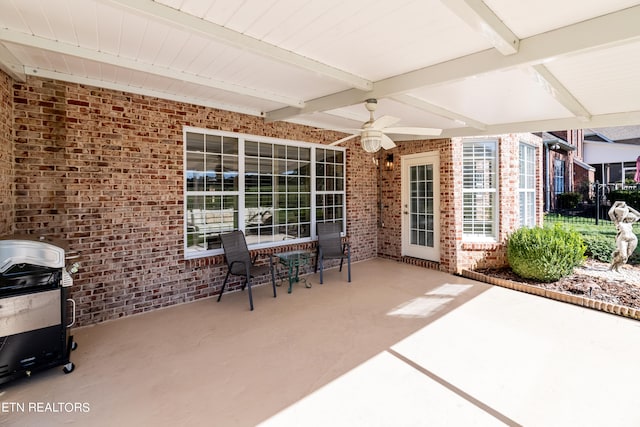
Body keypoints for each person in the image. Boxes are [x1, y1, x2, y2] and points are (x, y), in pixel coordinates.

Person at [608, 201, 640, 271]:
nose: (621, 215)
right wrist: (615, 204)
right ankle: (613, 265)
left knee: (628, 255)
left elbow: (639, 215)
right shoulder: (618, 222)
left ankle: (618, 267)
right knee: (623, 255)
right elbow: (610, 213)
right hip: (623, 239)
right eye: (620, 214)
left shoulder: (630, 222)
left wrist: (628, 207)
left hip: (633, 239)